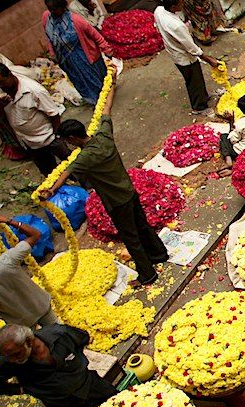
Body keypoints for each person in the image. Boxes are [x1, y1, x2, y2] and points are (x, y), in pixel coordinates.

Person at [45, 77, 170, 286]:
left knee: (131, 238)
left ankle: (147, 275)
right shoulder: (103, 135)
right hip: (129, 190)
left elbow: (66, 172)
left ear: (73, 139)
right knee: (142, 225)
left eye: (67, 141)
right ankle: (159, 254)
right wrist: (110, 85)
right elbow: (106, 109)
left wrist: (50, 191)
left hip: (117, 201)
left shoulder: (84, 158)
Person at [0, 323, 118, 407]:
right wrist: (19, 389)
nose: (12, 359)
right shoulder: (8, 361)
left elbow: (83, 337)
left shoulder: (59, 334)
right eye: (7, 356)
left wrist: (75, 360)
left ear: (29, 341)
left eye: (16, 354)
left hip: (91, 386)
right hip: (64, 406)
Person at [0, 62, 65, 175]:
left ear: (10, 74)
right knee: (49, 172)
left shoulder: (34, 90)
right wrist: (0, 105)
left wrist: (57, 135)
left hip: (48, 136)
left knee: (71, 164)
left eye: (3, 82)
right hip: (28, 141)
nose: (1, 86)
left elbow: (53, 114)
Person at [154, 0, 222, 113]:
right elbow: (191, 47)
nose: (182, 4)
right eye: (180, 3)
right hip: (184, 57)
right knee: (193, 81)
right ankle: (198, 107)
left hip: (173, 50)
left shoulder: (159, 11)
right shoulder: (177, 26)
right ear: (173, 7)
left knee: (198, 79)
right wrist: (209, 59)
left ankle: (204, 97)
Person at [41, 0, 110, 105]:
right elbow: (49, 37)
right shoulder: (47, 18)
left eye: (55, 9)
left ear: (62, 6)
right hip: (65, 58)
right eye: (51, 9)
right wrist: (52, 53)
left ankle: (102, 101)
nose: (53, 12)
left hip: (82, 55)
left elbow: (95, 34)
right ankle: (92, 100)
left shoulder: (75, 20)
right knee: (78, 81)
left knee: (92, 80)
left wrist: (106, 49)